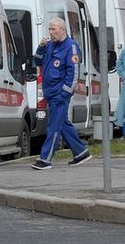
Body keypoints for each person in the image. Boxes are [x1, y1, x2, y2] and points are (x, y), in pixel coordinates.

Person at [30, 17, 91, 170]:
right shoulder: (49, 45)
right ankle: (81, 152)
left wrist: (64, 93)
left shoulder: (71, 47)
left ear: (62, 29)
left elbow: (74, 73)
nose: (50, 32)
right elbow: (36, 62)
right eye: (49, 29)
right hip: (50, 93)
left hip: (59, 94)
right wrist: (40, 48)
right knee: (63, 124)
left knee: (53, 127)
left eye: (53, 29)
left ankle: (45, 158)